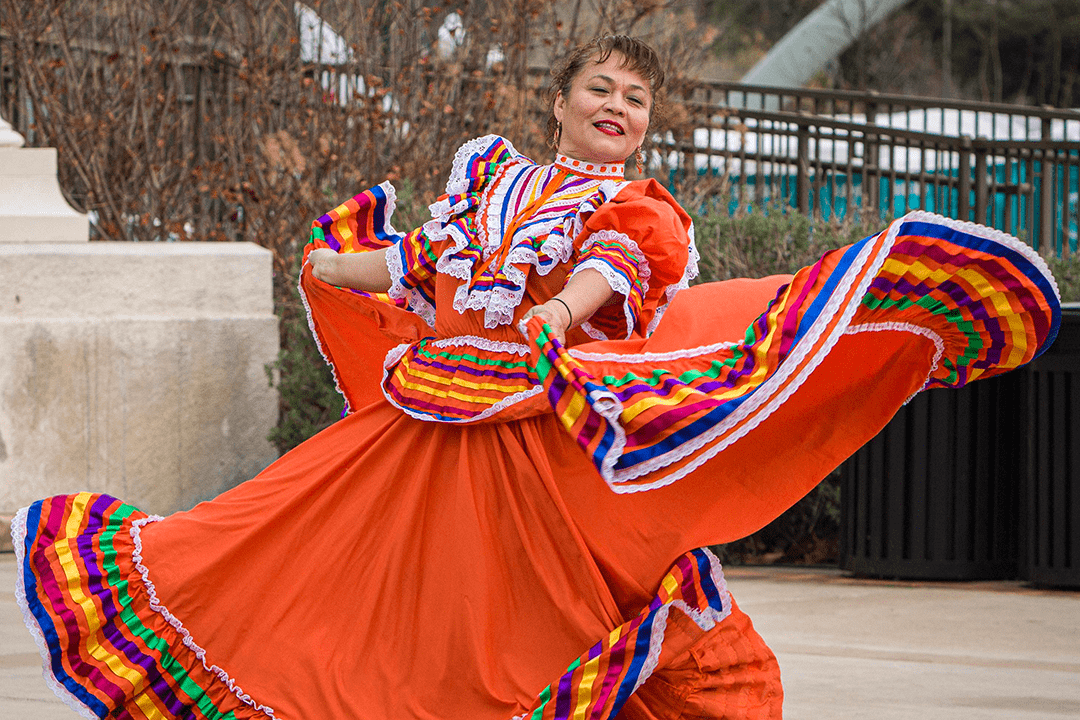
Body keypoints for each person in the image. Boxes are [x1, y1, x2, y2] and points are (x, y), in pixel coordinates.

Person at [13, 35, 1059, 720]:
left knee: (565, 609)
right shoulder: (490, 182)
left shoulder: (639, 204)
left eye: (637, 97)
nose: (619, 105)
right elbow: (423, 261)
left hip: (542, 431)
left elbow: (617, 269)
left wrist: (558, 315)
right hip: (430, 424)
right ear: (557, 101)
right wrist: (333, 265)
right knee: (317, 569)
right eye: (601, 87)